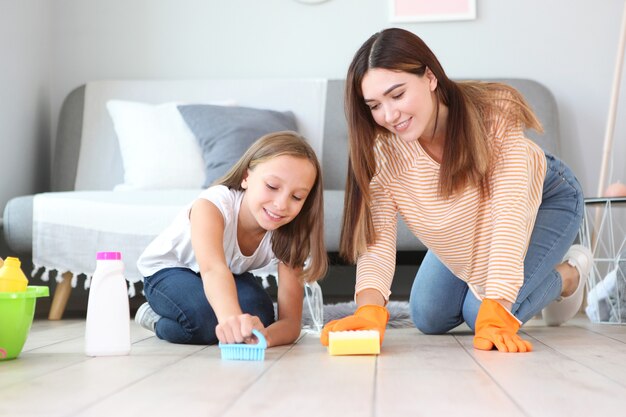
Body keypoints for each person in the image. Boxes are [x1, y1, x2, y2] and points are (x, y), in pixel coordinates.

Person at [320, 28, 592, 353]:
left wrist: (497, 303)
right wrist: (368, 309)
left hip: (544, 199)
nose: (389, 116)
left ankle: (569, 274)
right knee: (428, 317)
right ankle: (524, 283)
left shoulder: (494, 115)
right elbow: (376, 240)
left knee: (481, 316)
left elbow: (510, 213)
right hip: (468, 220)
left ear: (430, 77)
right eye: (375, 105)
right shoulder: (384, 152)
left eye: (397, 94)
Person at [135, 131, 328, 347]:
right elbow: (213, 269)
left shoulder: (291, 234)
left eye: (297, 197)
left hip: (227, 274)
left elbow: (290, 323)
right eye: (272, 187)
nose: (281, 204)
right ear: (246, 178)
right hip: (170, 270)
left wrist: (262, 337)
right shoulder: (213, 205)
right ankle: (154, 318)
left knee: (261, 316)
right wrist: (231, 320)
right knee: (205, 319)